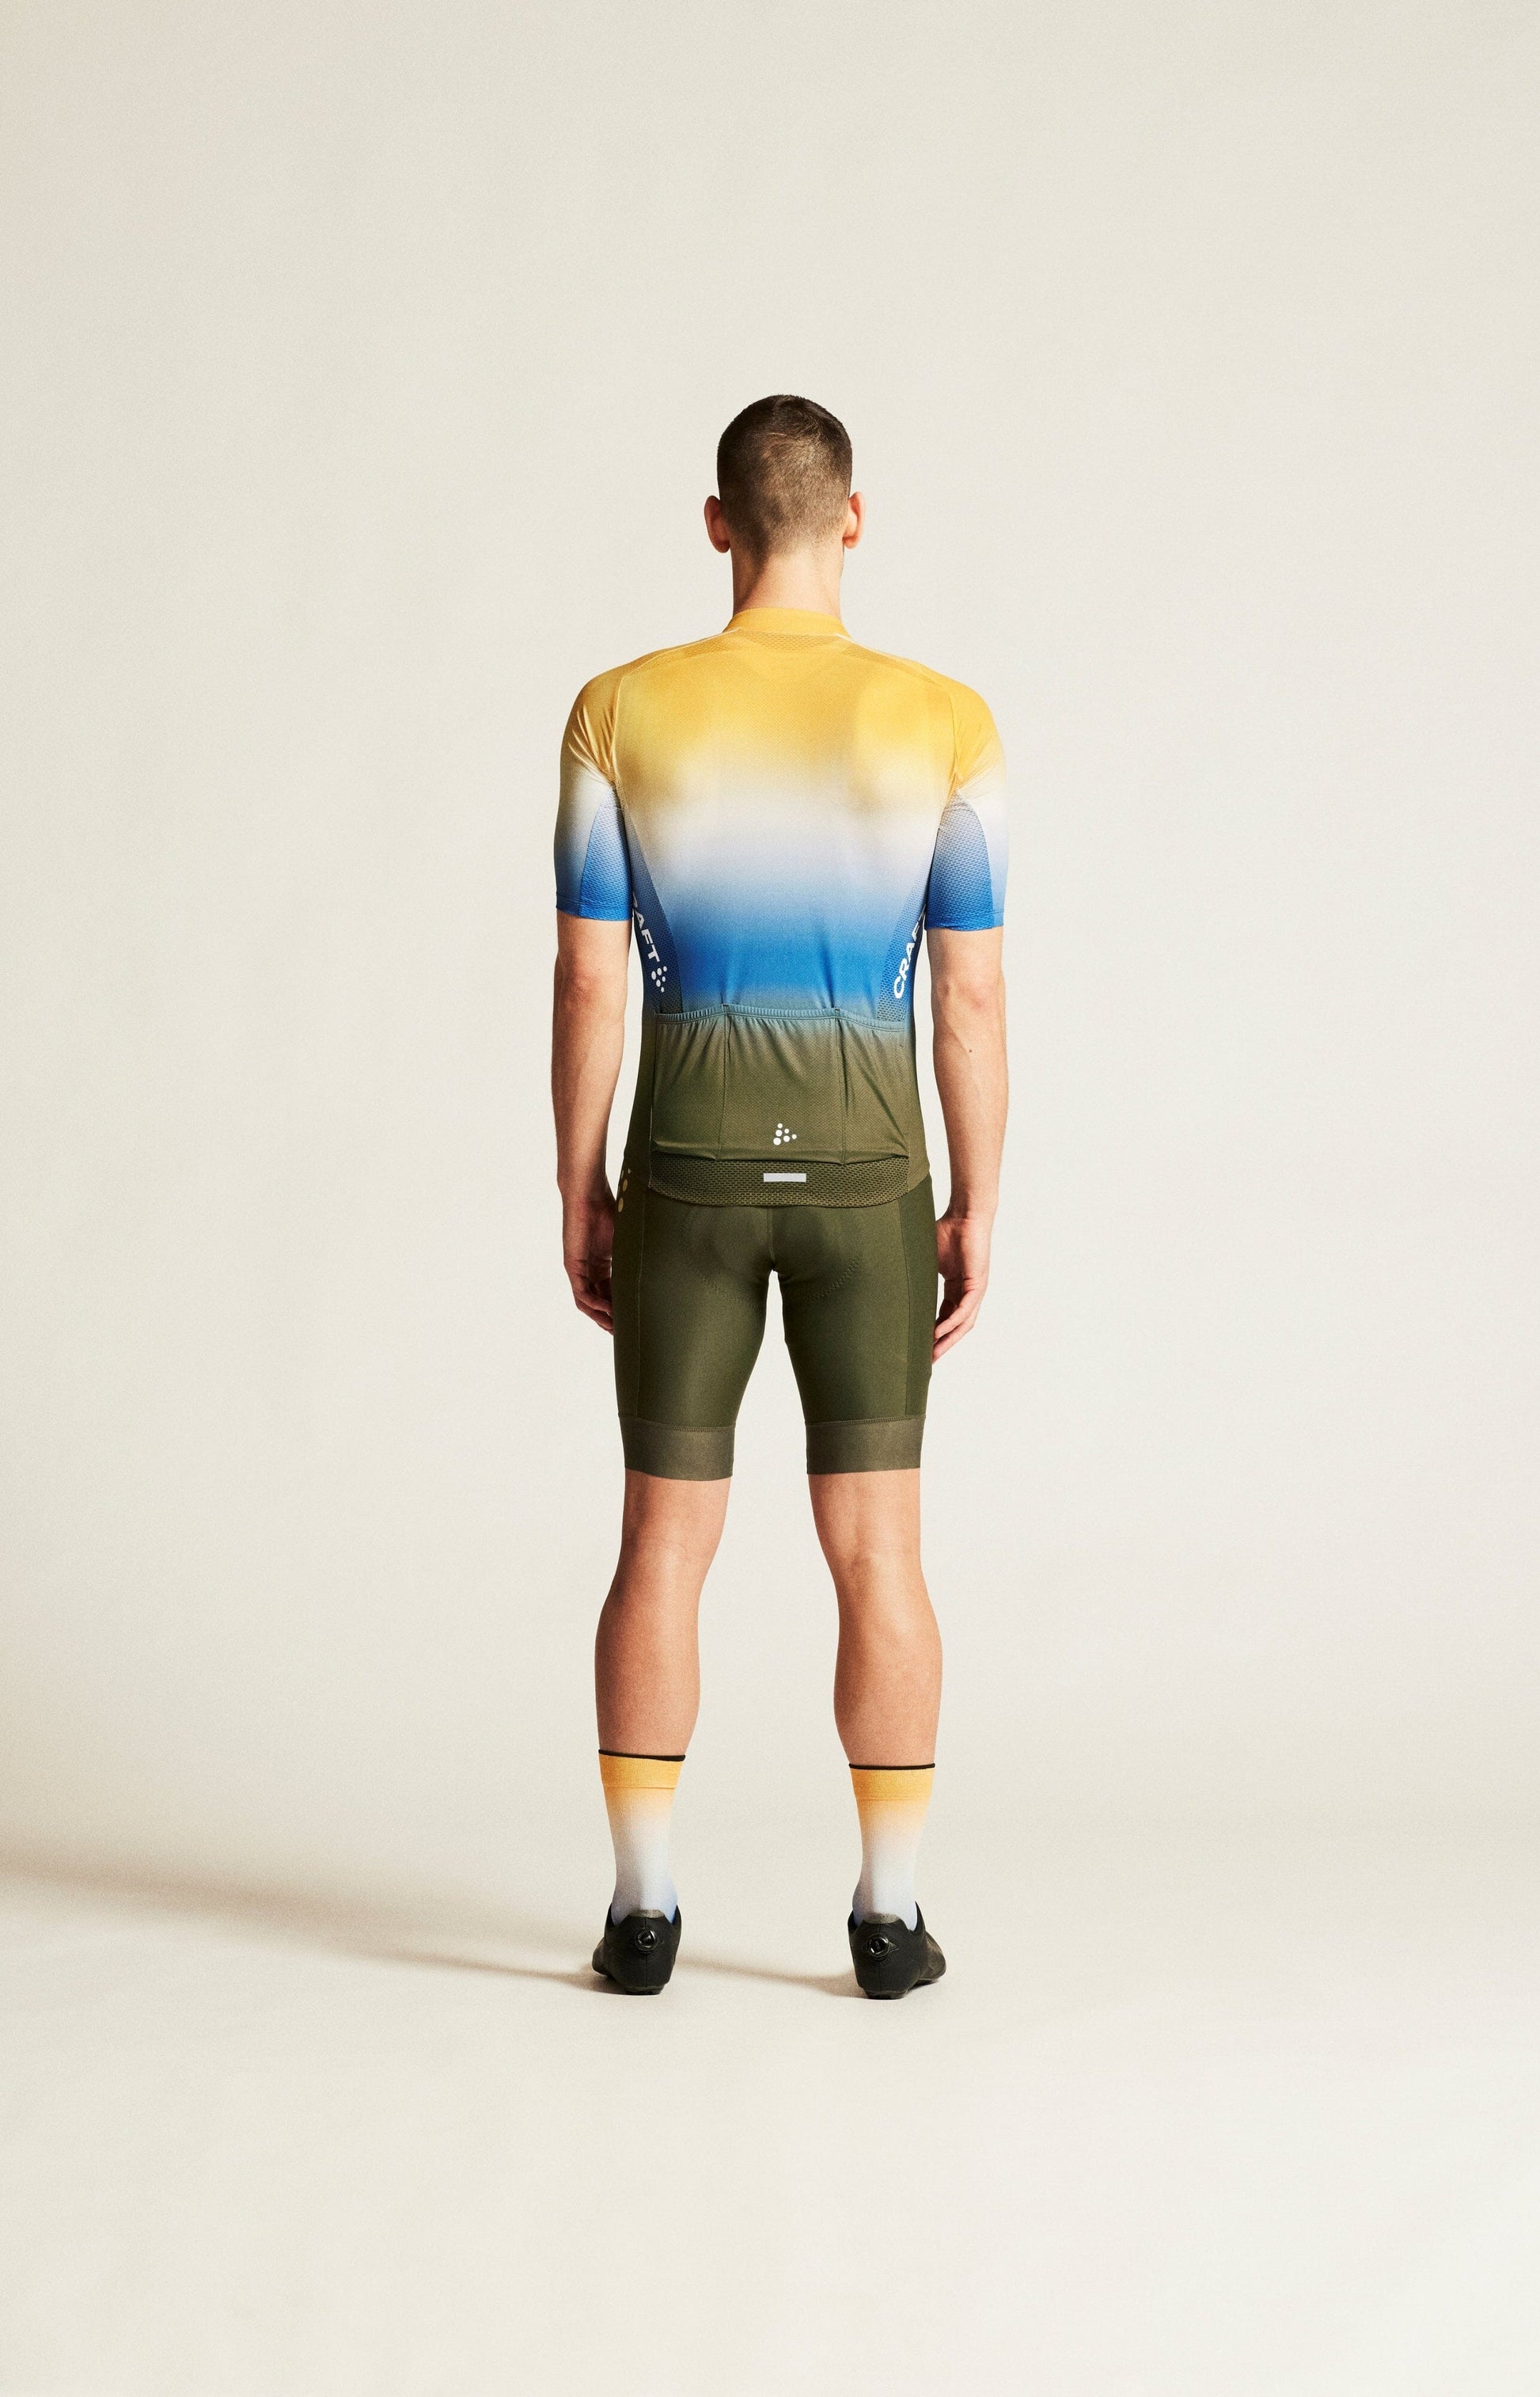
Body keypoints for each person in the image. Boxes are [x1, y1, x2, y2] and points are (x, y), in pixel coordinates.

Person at [552, 395, 1008, 1998]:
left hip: (682, 1170)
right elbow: (966, 996)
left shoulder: (619, 710)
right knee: (878, 1550)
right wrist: (976, 1202)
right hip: (874, 1180)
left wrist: (579, 1188)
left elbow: (587, 981)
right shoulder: (944, 720)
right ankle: (886, 1917)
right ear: (853, 520)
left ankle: (641, 1911)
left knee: (661, 1540)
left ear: (716, 523)